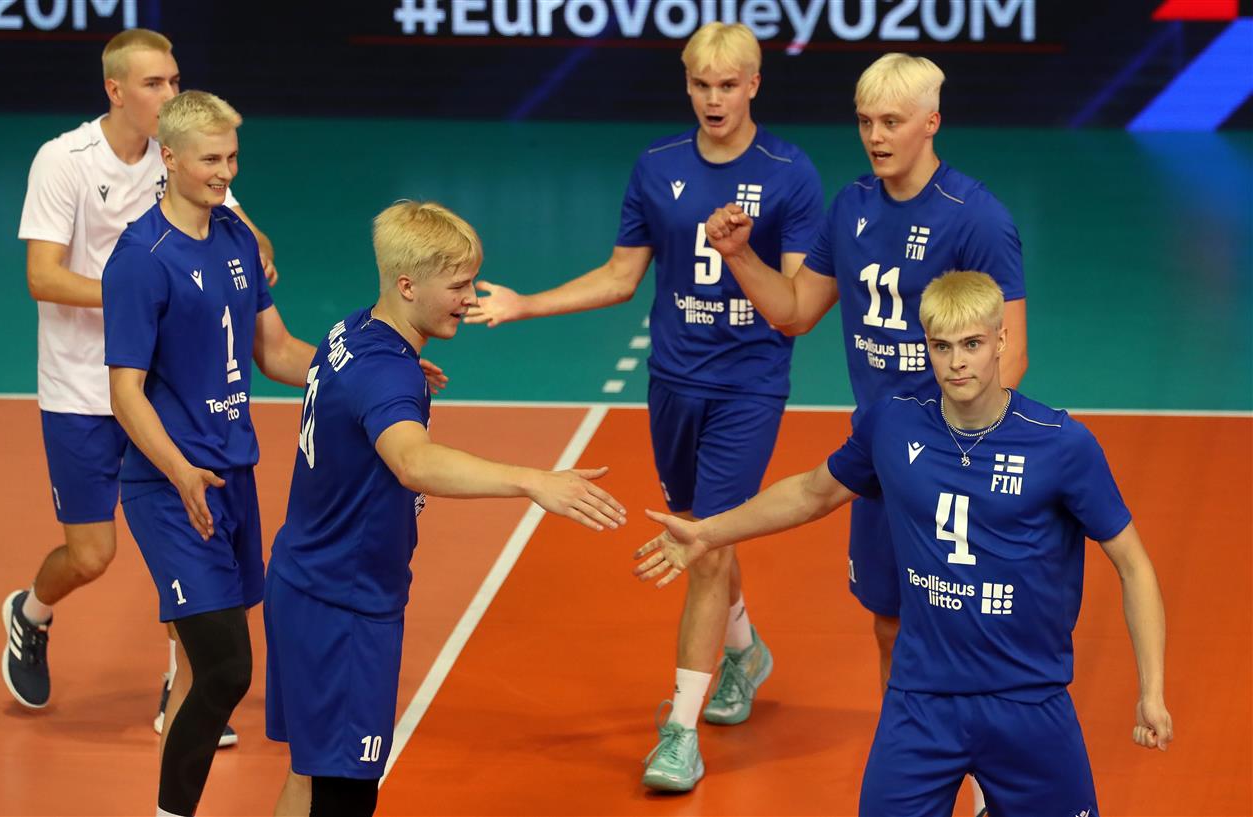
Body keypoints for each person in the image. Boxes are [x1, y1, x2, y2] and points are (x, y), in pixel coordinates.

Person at [634, 271, 1173, 817]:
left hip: (1028, 701)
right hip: (921, 702)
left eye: (972, 344)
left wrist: (1151, 691)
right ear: (927, 348)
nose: (957, 362)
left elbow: (1134, 565)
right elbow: (812, 493)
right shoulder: (894, 423)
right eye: (942, 346)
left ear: (1001, 341)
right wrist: (706, 532)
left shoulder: (1061, 445)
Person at [464, 22, 823, 792]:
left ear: (754, 84)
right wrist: (526, 304)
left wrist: (739, 253)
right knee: (705, 529)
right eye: (701, 84)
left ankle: (680, 734)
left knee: (704, 543)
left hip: (748, 384)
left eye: (728, 85)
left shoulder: (790, 173)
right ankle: (746, 651)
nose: (714, 98)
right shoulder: (658, 166)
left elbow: (794, 307)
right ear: (687, 84)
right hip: (671, 383)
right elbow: (621, 276)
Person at [704, 53, 1027, 813]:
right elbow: (793, 311)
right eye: (865, 122)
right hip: (882, 459)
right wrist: (739, 255)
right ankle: (919, 776)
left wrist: (953, 451)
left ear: (931, 122)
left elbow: (1010, 357)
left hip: (955, 461)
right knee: (890, 624)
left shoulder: (975, 217)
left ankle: (986, 784)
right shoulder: (850, 207)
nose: (875, 137)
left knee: (964, 629)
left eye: (891, 122)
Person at [264, 199, 626, 817]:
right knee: (346, 792)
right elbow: (414, 462)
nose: (470, 298)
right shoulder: (386, 374)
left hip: (305, 582)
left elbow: (347, 381)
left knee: (310, 774)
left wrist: (394, 379)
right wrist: (534, 481)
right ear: (407, 285)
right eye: (458, 286)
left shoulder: (353, 331)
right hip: (345, 604)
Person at [3, 29, 276, 746]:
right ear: (115, 91)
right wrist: (146, 294)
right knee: (92, 554)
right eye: (154, 83)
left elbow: (244, 235)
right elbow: (42, 277)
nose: (169, 94)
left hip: (164, 392)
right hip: (80, 387)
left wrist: (253, 252)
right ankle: (31, 611)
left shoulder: (180, 154)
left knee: (187, 538)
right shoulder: (63, 161)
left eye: (175, 80)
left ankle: (180, 686)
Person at [101, 90, 316, 817]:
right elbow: (125, 393)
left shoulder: (234, 238)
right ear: (168, 157)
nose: (226, 173)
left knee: (200, 673)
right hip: (171, 488)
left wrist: (364, 366)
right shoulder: (140, 259)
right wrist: (179, 471)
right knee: (228, 669)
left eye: (232, 158)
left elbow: (276, 351)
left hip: (232, 475)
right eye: (211, 160)